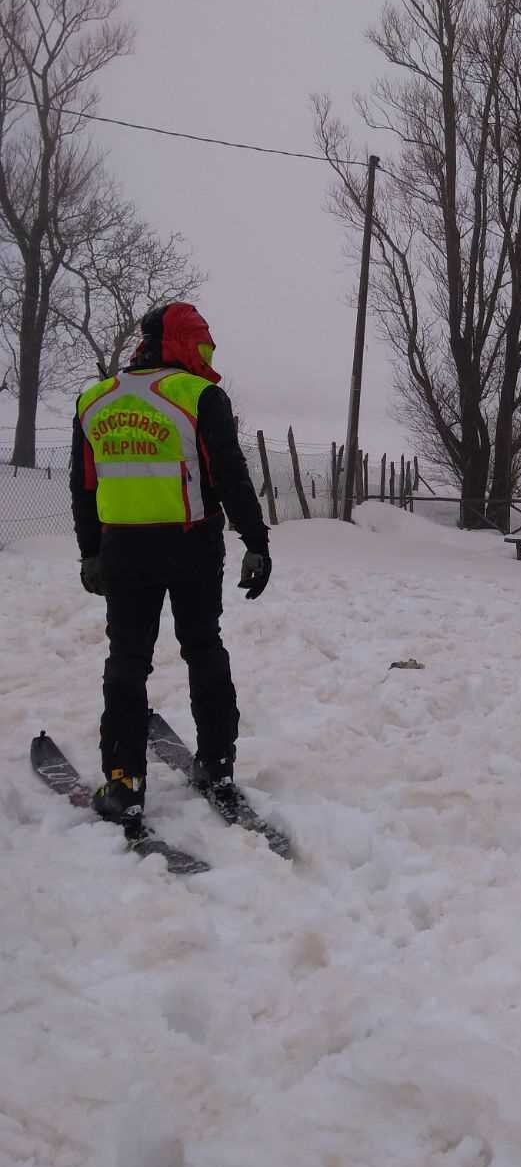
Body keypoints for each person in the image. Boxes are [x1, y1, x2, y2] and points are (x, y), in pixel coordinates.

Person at [69, 302, 272, 829]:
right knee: (203, 647)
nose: (209, 354)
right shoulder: (200, 397)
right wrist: (255, 541)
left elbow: (83, 487)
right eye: (204, 343)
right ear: (184, 342)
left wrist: (89, 551)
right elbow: (231, 476)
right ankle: (216, 763)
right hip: (192, 547)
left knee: (128, 660)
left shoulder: (94, 400)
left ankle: (123, 782)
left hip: (123, 551)